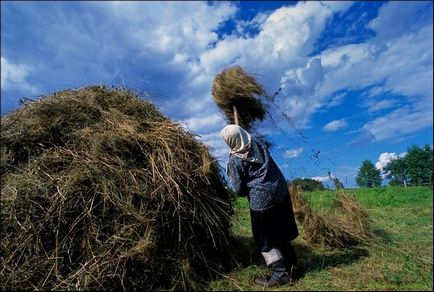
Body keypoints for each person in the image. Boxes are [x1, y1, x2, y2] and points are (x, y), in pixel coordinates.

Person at [221, 124, 299, 288]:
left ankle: (280, 275)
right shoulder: (259, 143)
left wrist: (242, 182)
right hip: (280, 190)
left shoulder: (235, 160)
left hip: (263, 202)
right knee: (280, 231)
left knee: (264, 240)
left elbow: (238, 189)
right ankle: (292, 266)